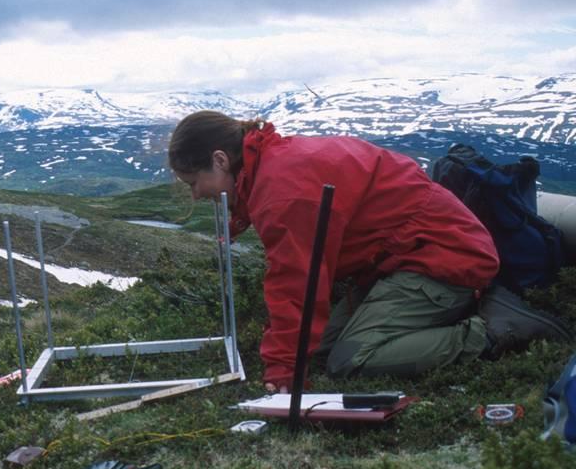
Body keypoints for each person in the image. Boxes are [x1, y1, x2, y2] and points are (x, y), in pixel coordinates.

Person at [168, 111, 572, 394]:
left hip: (444, 259)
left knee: (352, 359)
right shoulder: (275, 162)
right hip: (398, 262)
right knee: (323, 351)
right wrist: (291, 358)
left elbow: (297, 282)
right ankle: (440, 319)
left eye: (194, 181)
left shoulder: (282, 189)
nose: (196, 193)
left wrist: (283, 371)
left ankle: (493, 330)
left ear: (220, 160)